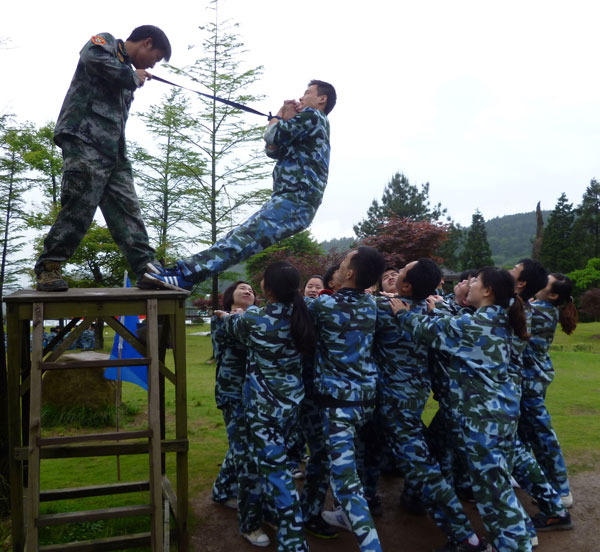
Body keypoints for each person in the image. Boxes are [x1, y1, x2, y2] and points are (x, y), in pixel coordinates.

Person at [390, 267, 533, 551]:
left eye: (476, 282)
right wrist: (438, 310)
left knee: (494, 494)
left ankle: (516, 544)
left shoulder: (475, 324)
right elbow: (452, 325)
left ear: (488, 291)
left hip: (484, 421)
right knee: (495, 488)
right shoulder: (498, 318)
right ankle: (517, 538)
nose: (470, 285)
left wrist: (403, 314)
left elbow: (428, 331)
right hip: (500, 416)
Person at [144, 80, 337, 291]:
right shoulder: (310, 124)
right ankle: (183, 274)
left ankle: (184, 274)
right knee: (241, 239)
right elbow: (273, 149)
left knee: (243, 238)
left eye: (307, 93)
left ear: (322, 99)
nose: (301, 97)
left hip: (296, 200)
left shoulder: (313, 116)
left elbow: (272, 135)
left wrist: (279, 116)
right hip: (292, 200)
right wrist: (282, 120)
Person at [35, 26, 172, 291]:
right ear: (147, 42)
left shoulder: (127, 71)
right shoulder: (106, 43)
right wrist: (131, 76)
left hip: (114, 151)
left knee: (128, 210)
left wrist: (131, 76)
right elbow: (91, 58)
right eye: (155, 58)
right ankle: (49, 267)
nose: (152, 65)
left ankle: (147, 269)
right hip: (84, 138)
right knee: (80, 204)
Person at [375, 259, 490, 552]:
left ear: (406, 285)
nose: (396, 273)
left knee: (421, 467)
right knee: (417, 458)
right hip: (415, 395)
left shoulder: (385, 309)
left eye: (401, 272)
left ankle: (466, 538)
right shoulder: (431, 310)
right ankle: (412, 499)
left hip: (396, 402)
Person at [215, 261, 315, 551]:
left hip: (263, 410)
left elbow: (230, 324)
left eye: (254, 285)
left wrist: (226, 315)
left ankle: (257, 523)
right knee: (262, 463)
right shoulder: (306, 314)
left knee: (260, 467)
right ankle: (256, 518)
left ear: (267, 290)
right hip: (289, 406)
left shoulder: (255, 318)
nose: (249, 290)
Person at [311, 246, 386, 552]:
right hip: (366, 400)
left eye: (343, 262)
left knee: (346, 481)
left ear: (350, 273)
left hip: (338, 405)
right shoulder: (372, 305)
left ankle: (371, 544)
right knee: (351, 461)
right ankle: (341, 512)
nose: (339, 265)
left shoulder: (324, 305)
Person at [211, 281, 267, 544]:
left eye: (252, 291)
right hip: (233, 393)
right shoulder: (221, 319)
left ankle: (222, 491)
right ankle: (250, 523)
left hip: (254, 393)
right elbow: (247, 342)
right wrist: (243, 319)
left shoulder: (251, 319)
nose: (248, 292)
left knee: (238, 446)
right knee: (246, 454)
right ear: (229, 296)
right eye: (242, 288)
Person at [519, 273, 577, 511]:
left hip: (531, 382)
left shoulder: (540, 313)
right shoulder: (541, 309)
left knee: (542, 435)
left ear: (552, 295)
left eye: (544, 282)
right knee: (525, 431)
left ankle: (561, 490)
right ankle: (527, 476)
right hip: (533, 379)